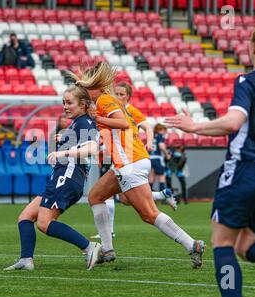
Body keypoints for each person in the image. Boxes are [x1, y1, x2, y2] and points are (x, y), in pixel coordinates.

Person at [165, 12, 255, 297]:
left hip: (245, 170)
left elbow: (232, 122)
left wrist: (194, 127)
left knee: (223, 244)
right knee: (248, 247)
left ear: (252, 47)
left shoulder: (247, 81)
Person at [69, 61, 206, 268]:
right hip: (127, 162)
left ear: (96, 87)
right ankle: (107, 249)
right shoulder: (106, 101)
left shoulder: (105, 100)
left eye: (87, 87)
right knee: (96, 196)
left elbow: (122, 123)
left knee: (149, 214)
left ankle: (192, 244)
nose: (84, 91)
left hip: (129, 163)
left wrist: (98, 119)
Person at [4, 85, 102, 271]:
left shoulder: (83, 122)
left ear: (82, 104)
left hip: (68, 177)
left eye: (69, 103)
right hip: (61, 177)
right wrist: (64, 138)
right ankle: (26, 260)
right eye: (63, 102)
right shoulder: (77, 123)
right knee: (25, 217)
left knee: (44, 223)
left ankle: (89, 246)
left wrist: (61, 153)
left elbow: (91, 149)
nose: (65, 106)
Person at [90, 82, 177, 240]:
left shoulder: (129, 110)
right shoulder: (111, 108)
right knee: (124, 198)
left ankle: (109, 232)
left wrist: (149, 141)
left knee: (109, 197)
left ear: (128, 97)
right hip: (118, 155)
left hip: (128, 157)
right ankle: (161, 195)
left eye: (121, 94)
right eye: (116, 93)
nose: (118, 96)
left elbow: (147, 127)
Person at [149, 124, 171, 192]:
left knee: (151, 177)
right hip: (157, 158)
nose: (165, 132)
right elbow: (161, 146)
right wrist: (167, 154)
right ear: (160, 130)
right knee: (162, 176)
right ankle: (163, 196)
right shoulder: (160, 136)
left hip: (150, 158)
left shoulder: (152, 137)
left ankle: (149, 196)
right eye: (164, 130)